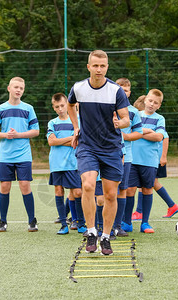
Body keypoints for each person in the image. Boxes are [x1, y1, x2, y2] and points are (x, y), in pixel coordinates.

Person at [67, 50, 130, 255]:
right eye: (95, 65)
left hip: (111, 148)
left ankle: (106, 237)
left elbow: (126, 120)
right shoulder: (78, 88)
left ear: (107, 67)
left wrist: (119, 123)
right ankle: (92, 231)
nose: (99, 69)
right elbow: (70, 105)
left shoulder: (116, 91)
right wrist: (76, 126)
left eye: (103, 66)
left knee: (111, 195)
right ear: (89, 67)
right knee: (88, 185)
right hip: (87, 146)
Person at [0, 76, 40, 232]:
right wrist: (6, 135)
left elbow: (36, 131)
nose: (19, 90)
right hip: (5, 156)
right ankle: (3, 221)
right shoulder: (0, 109)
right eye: (16, 87)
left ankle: (32, 221)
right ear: (9, 89)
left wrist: (18, 135)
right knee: (5, 187)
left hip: (24, 155)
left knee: (25, 186)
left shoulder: (28, 108)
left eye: (21, 88)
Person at [127, 89, 166, 233]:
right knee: (129, 190)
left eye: (155, 103)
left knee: (147, 189)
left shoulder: (160, 119)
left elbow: (158, 137)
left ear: (159, 105)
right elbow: (128, 132)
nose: (151, 104)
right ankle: (127, 223)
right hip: (132, 160)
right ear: (145, 100)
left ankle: (145, 223)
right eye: (150, 101)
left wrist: (139, 133)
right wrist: (148, 131)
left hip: (149, 161)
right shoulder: (136, 115)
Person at [47, 93, 83, 235]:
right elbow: (51, 142)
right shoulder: (52, 123)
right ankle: (63, 224)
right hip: (56, 163)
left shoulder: (77, 121)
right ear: (54, 108)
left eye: (62, 105)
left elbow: (79, 141)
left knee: (77, 192)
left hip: (73, 163)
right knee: (59, 192)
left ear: (67, 104)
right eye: (57, 107)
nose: (60, 109)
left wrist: (60, 140)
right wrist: (70, 138)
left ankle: (80, 223)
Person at [115, 78, 143, 236]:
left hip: (127, 156)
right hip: (108, 156)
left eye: (125, 90)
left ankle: (118, 225)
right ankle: (105, 225)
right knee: (107, 191)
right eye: (120, 89)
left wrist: (124, 136)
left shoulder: (133, 112)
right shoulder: (108, 108)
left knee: (122, 190)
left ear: (129, 92)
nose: (123, 93)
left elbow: (139, 133)